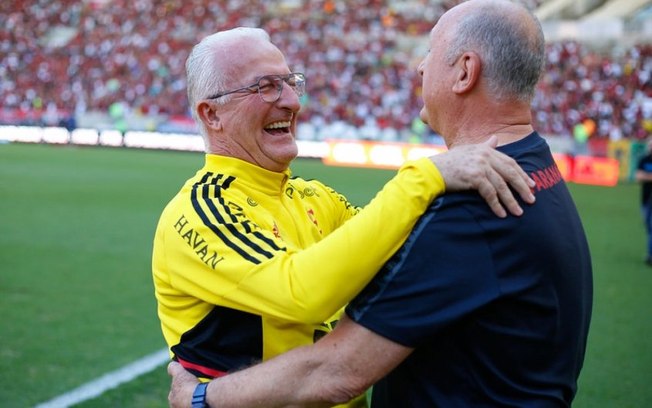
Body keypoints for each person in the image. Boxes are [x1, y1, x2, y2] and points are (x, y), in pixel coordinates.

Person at [166, 1, 593, 407]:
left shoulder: (319, 198)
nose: (293, 101)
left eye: (290, 82)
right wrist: (426, 175)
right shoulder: (202, 211)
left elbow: (386, 264)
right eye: (265, 86)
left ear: (465, 71)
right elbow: (300, 293)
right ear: (211, 115)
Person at [636, 138, 652, 265]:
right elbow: (638, 177)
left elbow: (642, 176)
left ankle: (650, 255)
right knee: (648, 225)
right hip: (645, 198)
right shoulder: (644, 160)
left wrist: (646, 176)